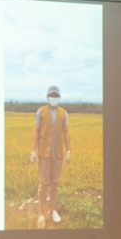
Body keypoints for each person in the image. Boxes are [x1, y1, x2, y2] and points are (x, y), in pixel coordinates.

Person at [30, 85, 71, 228]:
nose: (54, 98)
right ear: (47, 97)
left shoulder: (63, 113)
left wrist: (68, 152)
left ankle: (52, 209)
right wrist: (32, 151)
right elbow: (36, 131)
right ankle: (42, 213)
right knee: (43, 184)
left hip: (58, 154)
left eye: (56, 95)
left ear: (59, 97)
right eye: (52, 95)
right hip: (44, 154)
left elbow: (66, 133)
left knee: (54, 184)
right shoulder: (40, 112)